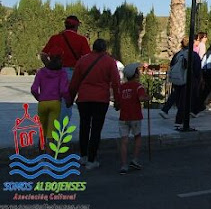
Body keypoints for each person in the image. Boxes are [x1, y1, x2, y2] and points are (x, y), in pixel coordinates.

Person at [67, 38, 120, 169]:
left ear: (93, 48)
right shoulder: (110, 62)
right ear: (105, 49)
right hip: (101, 99)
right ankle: (92, 159)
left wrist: (70, 98)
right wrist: (117, 100)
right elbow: (116, 82)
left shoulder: (82, 60)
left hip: (84, 98)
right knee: (96, 129)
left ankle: (83, 155)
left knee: (84, 126)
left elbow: (74, 82)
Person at [42, 15, 92, 123]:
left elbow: (43, 54)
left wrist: (49, 66)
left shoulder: (55, 38)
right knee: (66, 104)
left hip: (54, 74)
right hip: (71, 74)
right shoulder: (81, 40)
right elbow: (87, 59)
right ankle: (61, 131)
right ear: (76, 26)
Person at [115, 62, 148, 174]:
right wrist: (147, 97)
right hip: (135, 116)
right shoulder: (138, 86)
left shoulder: (121, 88)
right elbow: (141, 98)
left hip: (123, 117)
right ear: (136, 74)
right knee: (137, 137)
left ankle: (123, 165)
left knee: (124, 140)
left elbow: (117, 103)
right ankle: (135, 159)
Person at [31, 54, 69, 152]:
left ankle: (41, 150)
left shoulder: (41, 72)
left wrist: (39, 97)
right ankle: (49, 155)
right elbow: (63, 90)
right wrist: (67, 99)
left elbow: (34, 89)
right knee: (51, 130)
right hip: (56, 102)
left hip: (42, 103)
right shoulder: (62, 72)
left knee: (42, 128)